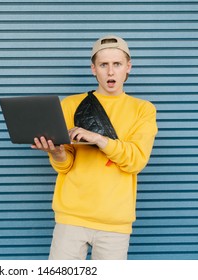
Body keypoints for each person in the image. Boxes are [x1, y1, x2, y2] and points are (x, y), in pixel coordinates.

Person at [31, 35, 158, 260]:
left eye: (117, 64)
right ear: (93, 69)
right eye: (103, 65)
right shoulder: (70, 105)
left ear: (128, 67)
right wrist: (57, 153)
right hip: (71, 218)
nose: (110, 72)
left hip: (115, 221)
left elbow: (136, 161)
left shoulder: (143, 109)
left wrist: (99, 139)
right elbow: (65, 165)